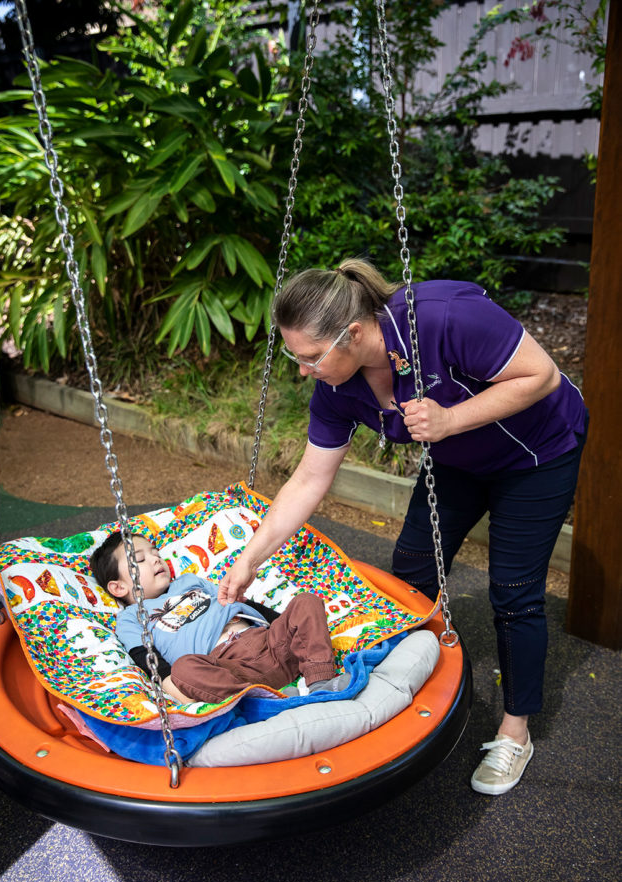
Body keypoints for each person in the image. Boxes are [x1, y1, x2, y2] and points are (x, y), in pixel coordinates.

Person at [218, 258, 588, 796]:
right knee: (411, 568)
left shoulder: (443, 317)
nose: (303, 371)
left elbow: (542, 375)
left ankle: (515, 730)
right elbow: (309, 479)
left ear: (353, 333)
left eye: (310, 357)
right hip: (457, 458)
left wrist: (450, 419)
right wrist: (251, 557)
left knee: (513, 590)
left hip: (537, 452)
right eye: (296, 358)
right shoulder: (337, 386)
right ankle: (421, 672)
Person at [90, 532, 340, 706]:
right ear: (119, 588)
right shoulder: (130, 618)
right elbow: (146, 656)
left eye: (155, 552)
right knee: (183, 670)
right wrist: (169, 683)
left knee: (306, 602)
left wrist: (288, 625)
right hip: (229, 669)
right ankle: (261, 700)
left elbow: (239, 601)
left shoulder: (189, 581)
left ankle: (321, 682)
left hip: (271, 644)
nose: (156, 558)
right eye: (140, 559)